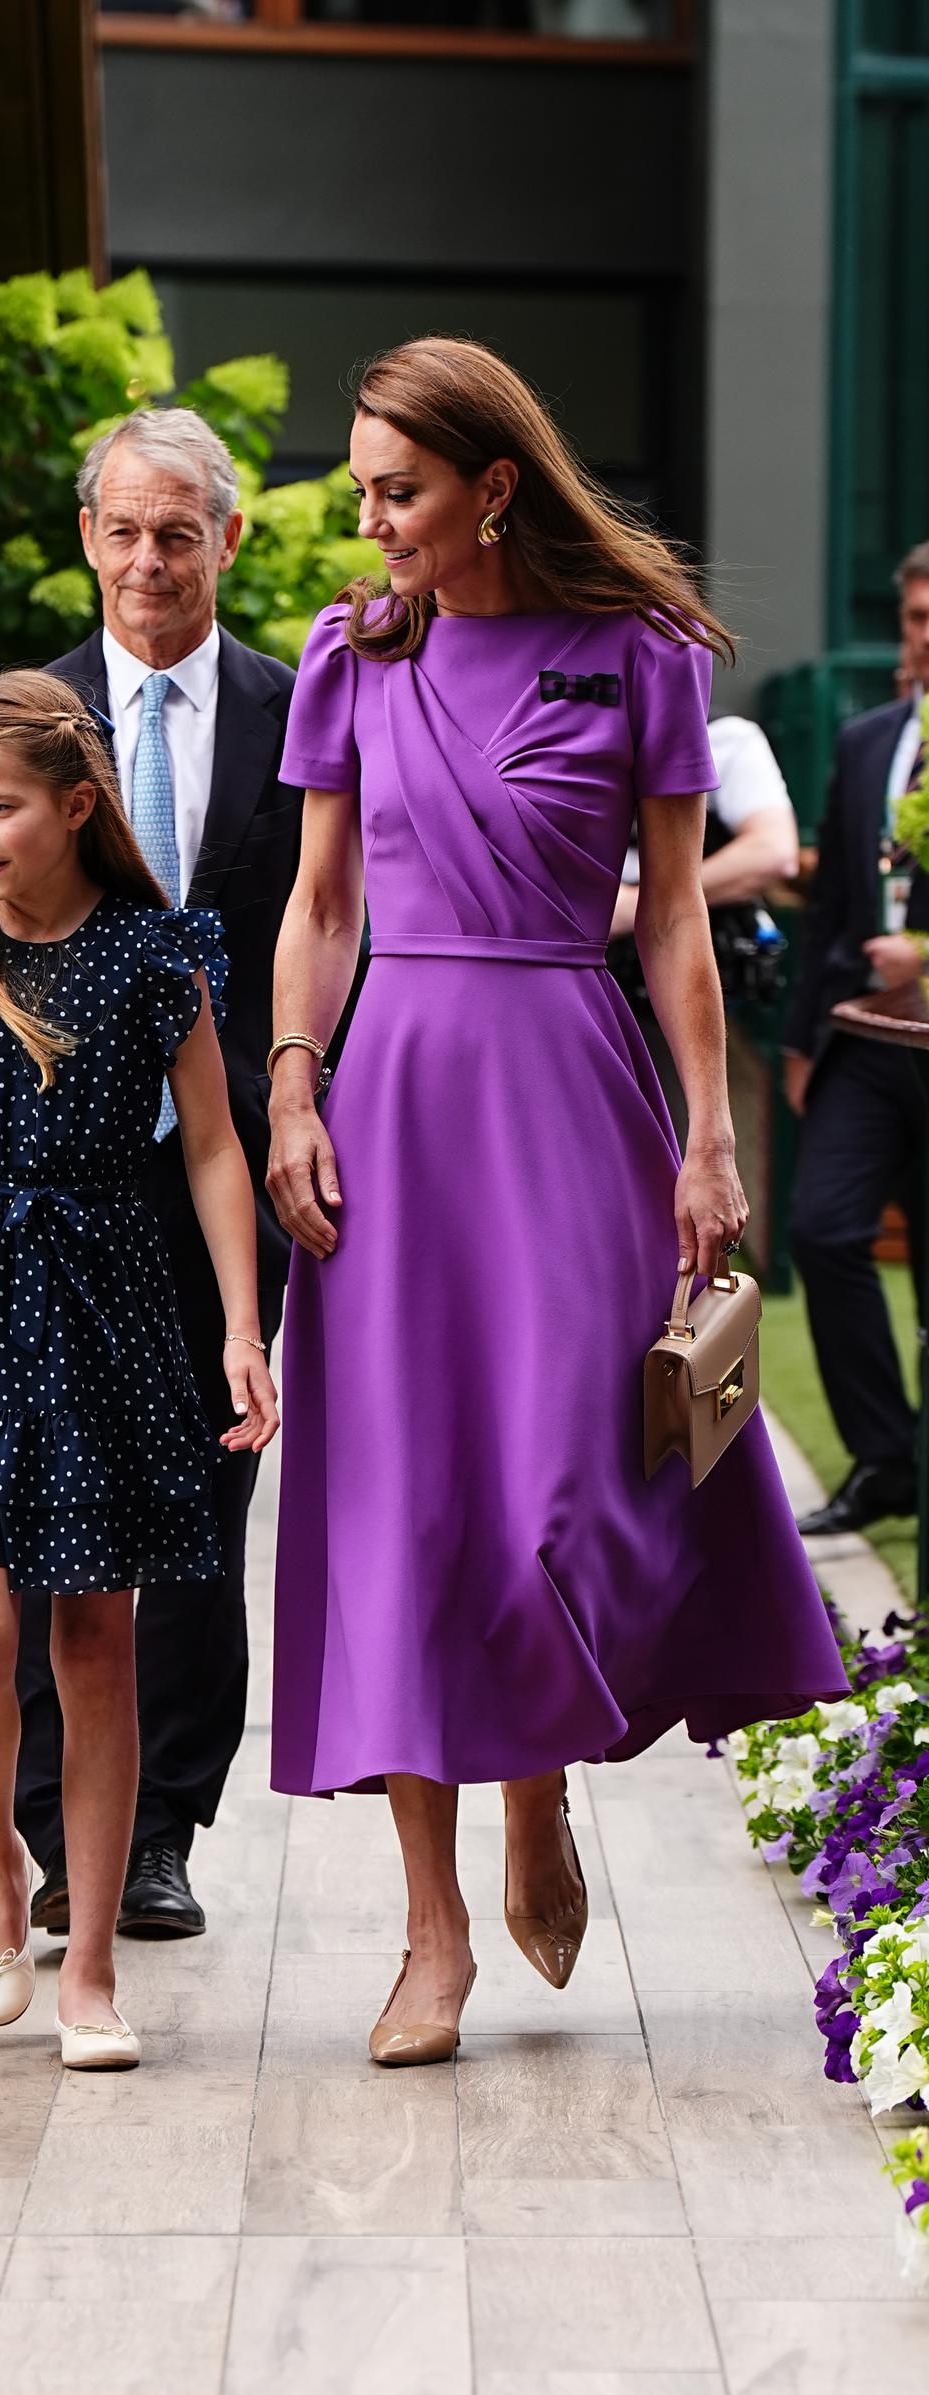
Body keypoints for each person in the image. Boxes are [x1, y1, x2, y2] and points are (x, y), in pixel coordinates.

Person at [266, 336, 848, 2067]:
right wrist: (294, 1078)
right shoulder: (349, 656)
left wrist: (710, 1138)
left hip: (569, 1098)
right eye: (364, 489)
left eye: (400, 493)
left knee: (551, 1502)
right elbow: (319, 903)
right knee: (404, 1513)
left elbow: (672, 916)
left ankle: (539, 1794)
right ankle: (429, 1933)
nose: (371, 523)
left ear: (493, 487)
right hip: (391, 1107)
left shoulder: (637, 656)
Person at [0, 670, 278, 2068]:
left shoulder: (158, 949)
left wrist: (240, 1325)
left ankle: (90, 1966)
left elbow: (213, 1145)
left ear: (76, 807)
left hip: (110, 1304)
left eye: (0, 808)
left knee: (96, 1641)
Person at [15, 408, 305, 1945]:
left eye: (177, 533)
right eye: (122, 531)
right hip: (54, 1180)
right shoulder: (29, 717)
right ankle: (62, 1829)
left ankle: (163, 1831)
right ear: (89, 539)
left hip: (232, 1177)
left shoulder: (296, 710)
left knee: (202, 1504)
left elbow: (341, 934)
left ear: (228, 541)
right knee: (50, 1498)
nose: (148, 561)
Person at [782, 541, 929, 1537]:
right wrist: (800, 1040)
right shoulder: (869, 738)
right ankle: (887, 1458)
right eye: (917, 618)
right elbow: (833, 899)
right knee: (823, 1227)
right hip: (860, 1040)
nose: (925, 638)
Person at [609, 715, 800, 1131]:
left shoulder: (725, 738)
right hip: (570, 991)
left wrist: (636, 905)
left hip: (677, 994)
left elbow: (774, 852)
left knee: (680, 1144)